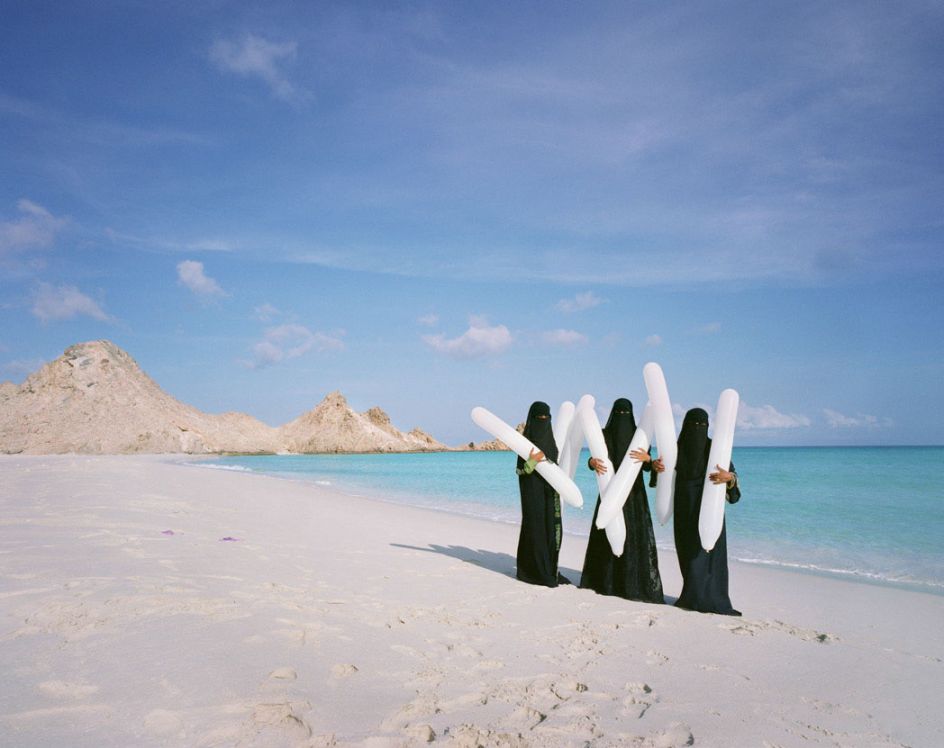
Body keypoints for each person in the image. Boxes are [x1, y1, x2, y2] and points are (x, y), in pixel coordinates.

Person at [651, 407, 741, 615]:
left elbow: (731, 476)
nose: (699, 429)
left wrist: (730, 478)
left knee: (710, 554)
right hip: (684, 509)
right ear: (685, 426)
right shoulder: (675, 449)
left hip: (710, 510)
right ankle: (691, 597)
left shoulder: (715, 448)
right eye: (694, 425)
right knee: (688, 553)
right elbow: (663, 480)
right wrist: (657, 469)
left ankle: (714, 599)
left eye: (703, 426)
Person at [580, 398, 664, 603]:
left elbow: (648, 466)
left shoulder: (640, 436)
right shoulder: (604, 435)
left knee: (634, 537)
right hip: (608, 492)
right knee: (608, 536)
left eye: (626, 413)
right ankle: (606, 582)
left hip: (634, 495)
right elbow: (594, 459)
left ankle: (631, 583)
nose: (622, 418)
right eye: (619, 413)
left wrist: (648, 461)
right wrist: (591, 462)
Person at [515, 401, 570, 587]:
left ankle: (551, 570)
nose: (543, 420)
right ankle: (535, 572)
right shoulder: (525, 441)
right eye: (540, 417)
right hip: (533, 493)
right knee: (536, 529)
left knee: (552, 531)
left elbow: (555, 465)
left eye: (547, 417)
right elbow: (520, 471)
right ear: (532, 419)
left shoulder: (550, 441)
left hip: (551, 494)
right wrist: (532, 461)